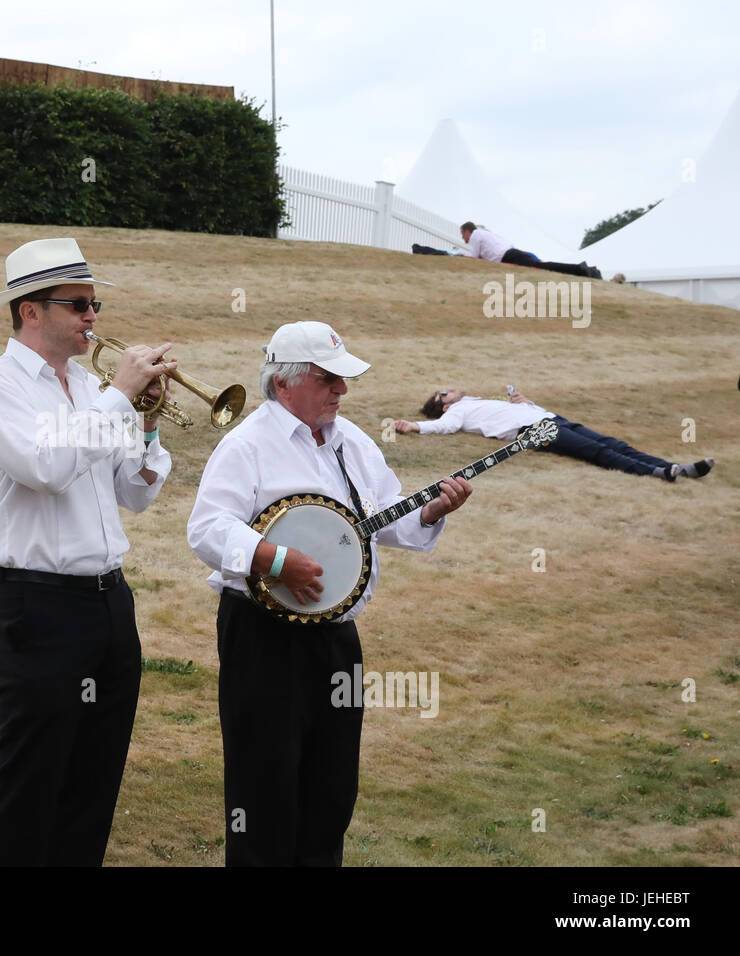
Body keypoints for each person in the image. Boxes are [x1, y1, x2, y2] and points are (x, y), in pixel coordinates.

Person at [186, 321, 472, 866]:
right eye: (329, 378)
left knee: (332, 786)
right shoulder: (246, 445)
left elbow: (384, 517)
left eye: (344, 378)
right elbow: (206, 529)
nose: (342, 389)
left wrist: (430, 510)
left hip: (337, 637)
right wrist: (275, 560)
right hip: (263, 636)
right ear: (285, 382)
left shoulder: (352, 440)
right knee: (265, 788)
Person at [0, 237, 175, 866]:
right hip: (38, 603)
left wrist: (147, 422)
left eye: (94, 305)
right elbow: (45, 467)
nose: (92, 319)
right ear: (30, 311)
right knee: (31, 776)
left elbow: (133, 494)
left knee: (94, 779)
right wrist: (119, 398)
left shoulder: (87, 387)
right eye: (77, 305)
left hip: (109, 602)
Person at [394, 388, 714, 481]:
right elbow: (444, 427)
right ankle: (659, 472)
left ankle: (675, 466)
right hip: (536, 430)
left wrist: (527, 402)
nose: (448, 389)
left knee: (613, 444)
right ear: (444, 406)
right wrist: (415, 426)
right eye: (442, 393)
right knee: (598, 453)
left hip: (548, 417)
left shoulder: (472, 401)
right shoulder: (457, 413)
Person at [460, 221, 601, 278]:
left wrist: (459, 254)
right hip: (512, 253)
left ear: (467, 231)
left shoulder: (475, 235)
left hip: (509, 256)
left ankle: (581, 269)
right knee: (544, 266)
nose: (463, 238)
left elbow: (473, 256)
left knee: (544, 267)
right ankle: (583, 269)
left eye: (462, 234)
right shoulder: (486, 233)